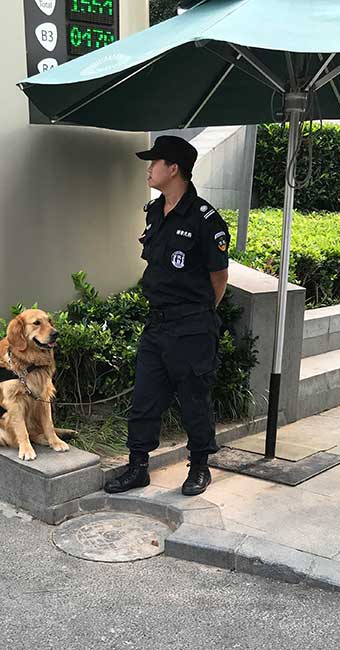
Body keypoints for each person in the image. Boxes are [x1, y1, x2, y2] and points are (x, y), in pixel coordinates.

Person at [104, 136, 230, 497]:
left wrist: (198, 316)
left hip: (192, 326)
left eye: (154, 162)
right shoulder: (154, 211)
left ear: (173, 168)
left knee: (194, 399)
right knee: (144, 397)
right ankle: (138, 467)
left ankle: (200, 467)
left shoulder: (206, 219)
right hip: (156, 324)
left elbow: (218, 278)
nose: (149, 168)